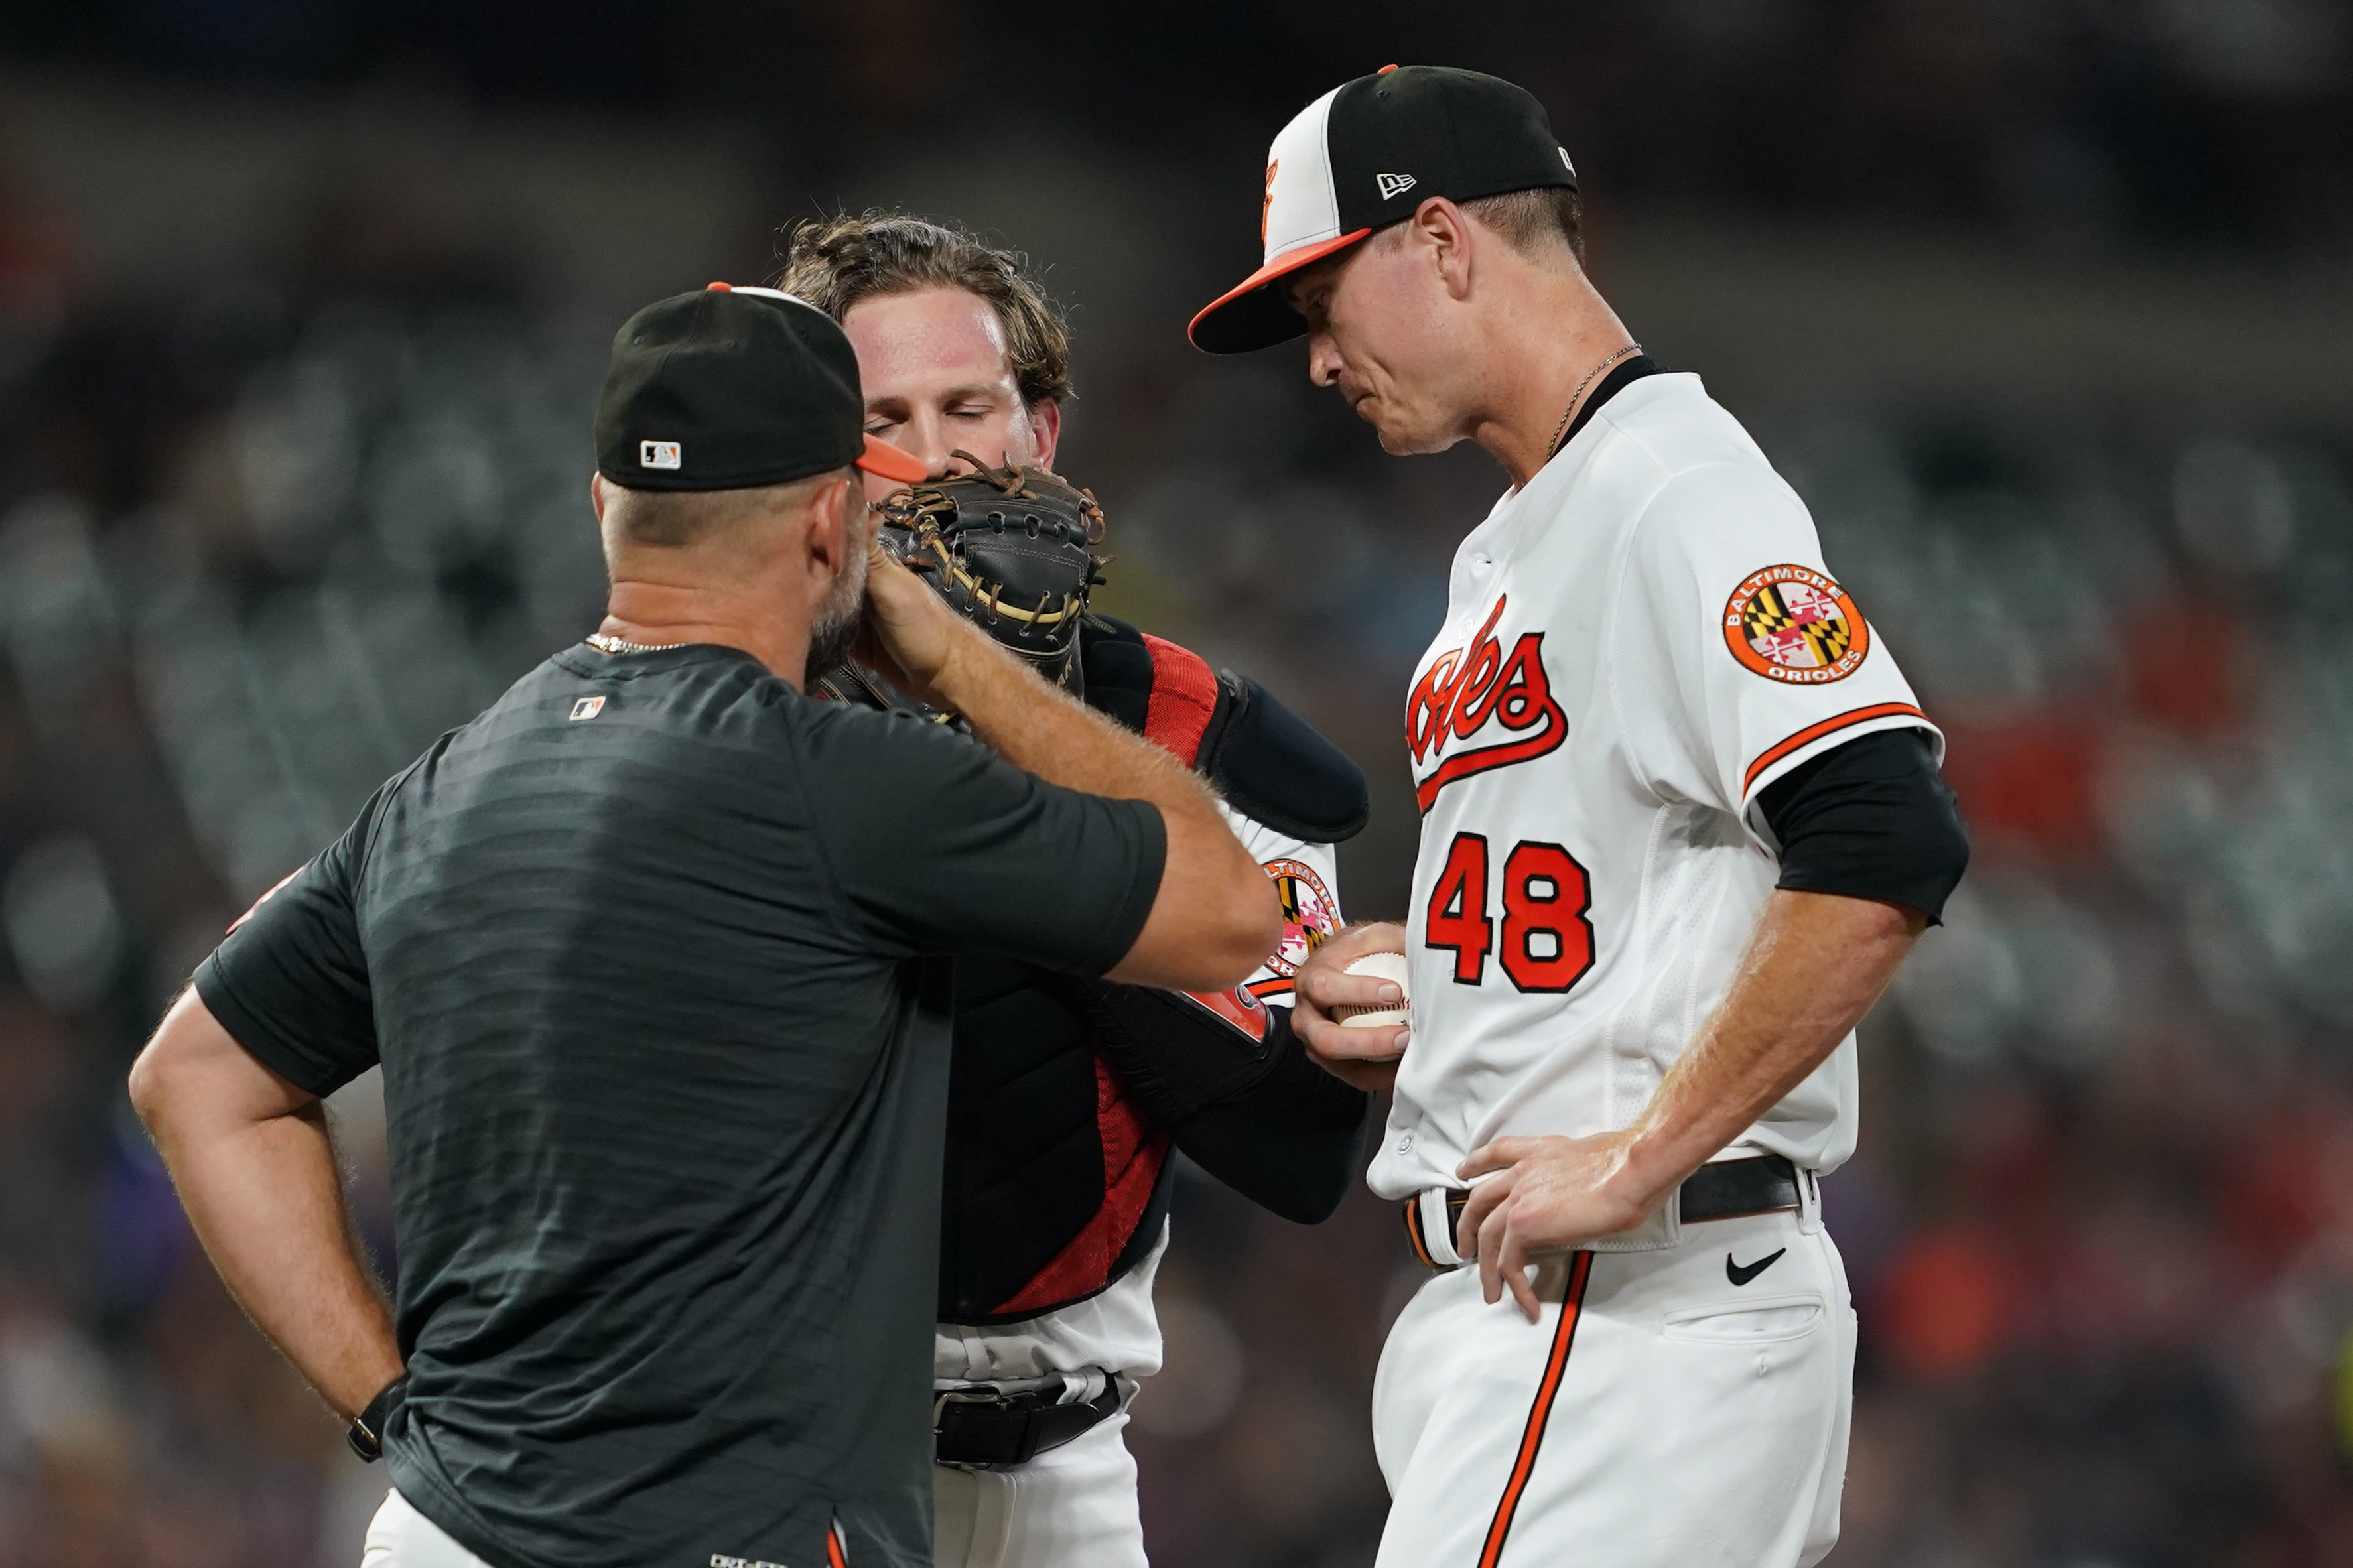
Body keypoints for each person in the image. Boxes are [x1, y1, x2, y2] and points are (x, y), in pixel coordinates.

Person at [125, 283, 1282, 1568]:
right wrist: (956, 660)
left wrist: (395, 1409)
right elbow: (1227, 909)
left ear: (604, 507)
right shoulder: (844, 786)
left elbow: (196, 1079)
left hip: (447, 1532)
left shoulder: (440, 791)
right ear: (833, 519)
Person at [1191, 66, 1971, 1568]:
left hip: (1628, 1310)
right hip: (1581, 1317)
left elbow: (1885, 835)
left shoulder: (1670, 485)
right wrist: (1457, 991)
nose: (1316, 362)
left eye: (1321, 300)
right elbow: (1647, 897)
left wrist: (1639, 1155)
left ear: (1437, 244)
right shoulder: (1521, 537)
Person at [776, 213, 1374, 1568]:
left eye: (969, 406)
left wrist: (1005, 756)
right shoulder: (738, 713)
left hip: (1071, 1480)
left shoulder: (1193, 726)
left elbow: (1289, 1150)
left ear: (1040, 431)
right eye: (884, 416)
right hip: (790, 1451)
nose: (932, 455)